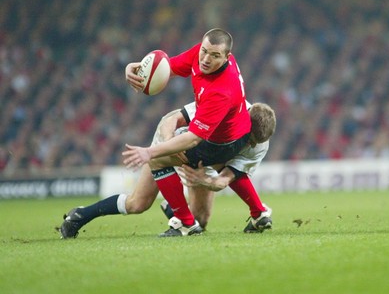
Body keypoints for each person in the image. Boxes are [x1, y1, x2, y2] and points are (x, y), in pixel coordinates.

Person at [59, 102, 276, 238]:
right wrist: (171, 143)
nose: (251, 145)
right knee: (138, 203)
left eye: (255, 142)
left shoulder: (258, 145)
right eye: (249, 139)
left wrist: (204, 180)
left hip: (205, 159)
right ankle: (80, 215)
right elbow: (170, 119)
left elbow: (225, 179)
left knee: (201, 221)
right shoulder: (222, 108)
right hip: (174, 141)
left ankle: (176, 210)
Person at [123, 28, 253, 237]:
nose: (206, 59)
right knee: (202, 216)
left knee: (158, 159)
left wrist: (150, 152)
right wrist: (132, 67)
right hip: (228, 130)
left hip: (222, 143)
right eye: (205, 51)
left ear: (227, 57)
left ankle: (184, 222)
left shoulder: (221, 90)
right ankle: (257, 212)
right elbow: (167, 67)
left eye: (215, 55)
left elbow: (194, 138)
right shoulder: (200, 55)